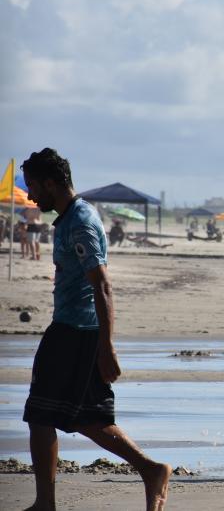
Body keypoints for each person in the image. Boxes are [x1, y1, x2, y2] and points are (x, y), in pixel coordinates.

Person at [20, 148, 171, 511]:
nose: (30, 196)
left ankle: (45, 503)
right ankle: (151, 471)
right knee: (85, 418)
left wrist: (107, 346)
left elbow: (102, 285)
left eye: (34, 187)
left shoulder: (81, 222)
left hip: (77, 331)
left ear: (51, 183)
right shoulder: (69, 217)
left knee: (42, 413)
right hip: (73, 328)